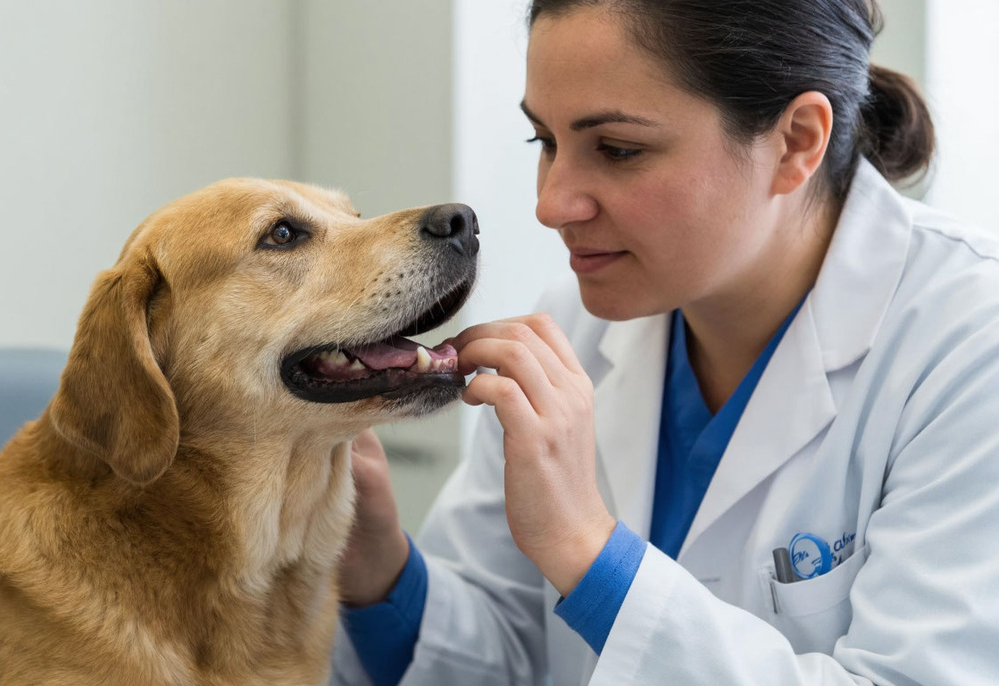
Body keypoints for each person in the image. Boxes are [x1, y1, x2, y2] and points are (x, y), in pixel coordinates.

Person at [331, 0, 999, 684]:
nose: (552, 205)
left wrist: (588, 552)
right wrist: (374, 563)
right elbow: (502, 654)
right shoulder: (574, 329)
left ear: (796, 141)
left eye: (619, 150)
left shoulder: (969, 343)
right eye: (546, 142)